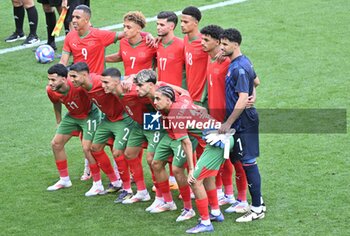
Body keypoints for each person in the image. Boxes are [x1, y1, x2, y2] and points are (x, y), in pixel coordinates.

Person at [152, 85, 234, 234]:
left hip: (217, 142)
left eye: (158, 98)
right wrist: (166, 83)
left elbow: (186, 143)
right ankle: (215, 212)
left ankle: (205, 222)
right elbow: (185, 92)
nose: (155, 102)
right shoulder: (183, 100)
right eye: (154, 98)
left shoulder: (174, 116)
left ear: (169, 100)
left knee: (194, 181)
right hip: (222, 137)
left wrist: (190, 169)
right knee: (207, 177)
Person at [132, 70, 196, 221]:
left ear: (150, 85)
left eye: (140, 85)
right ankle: (167, 202)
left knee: (177, 170)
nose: (136, 89)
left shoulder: (164, 92)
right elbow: (185, 91)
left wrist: (184, 111)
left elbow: (185, 94)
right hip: (169, 132)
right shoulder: (154, 93)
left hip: (183, 133)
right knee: (155, 162)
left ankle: (189, 208)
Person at [200, 25, 249, 212]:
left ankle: (242, 199)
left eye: (207, 40)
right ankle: (226, 194)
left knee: (237, 160)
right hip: (214, 119)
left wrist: (251, 97)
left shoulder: (230, 63)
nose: (202, 43)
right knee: (221, 159)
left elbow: (253, 80)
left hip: (229, 120)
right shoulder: (210, 60)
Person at [219, 28, 266, 222]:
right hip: (242, 119)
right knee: (243, 161)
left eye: (225, 44)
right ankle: (259, 202)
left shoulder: (238, 67)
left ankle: (256, 209)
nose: (221, 47)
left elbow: (241, 99)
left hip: (243, 121)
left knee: (248, 162)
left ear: (236, 44)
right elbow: (256, 81)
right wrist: (253, 94)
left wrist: (228, 123)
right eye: (221, 43)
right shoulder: (242, 62)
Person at [46, 63, 100, 196]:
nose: (50, 83)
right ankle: (64, 180)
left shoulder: (78, 87)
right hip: (73, 116)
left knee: (87, 148)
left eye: (53, 79)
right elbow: (56, 103)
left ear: (64, 79)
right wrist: (59, 122)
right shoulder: (50, 90)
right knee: (56, 144)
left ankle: (98, 184)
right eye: (49, 79)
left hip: (89, 115)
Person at [156, 11, 186, 191]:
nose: (158, 27)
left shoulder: (182, 46)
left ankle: (187, 180)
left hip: (177, 102)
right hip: (159, 101)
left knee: (183, 141)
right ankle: (168, 182)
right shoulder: (156, 44)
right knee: (162, 138)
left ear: (171, 26)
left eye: (161, 25)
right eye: (157, 25)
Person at [105, 11, 157, 76]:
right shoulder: (123, 41)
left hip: (145, 85)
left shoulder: (150, 43)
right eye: (124, 26)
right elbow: (120, 56)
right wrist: (101, 58)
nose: (125, 30)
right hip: (127, 84)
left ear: (138, 29)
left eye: (129, 27)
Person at [180, 6, 208, 107]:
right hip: (190, 95)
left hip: (202, 98)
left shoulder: (205, 43)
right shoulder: (186, 39)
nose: (182, 25)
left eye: (186, 22)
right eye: (181, 21)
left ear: (196, 23)